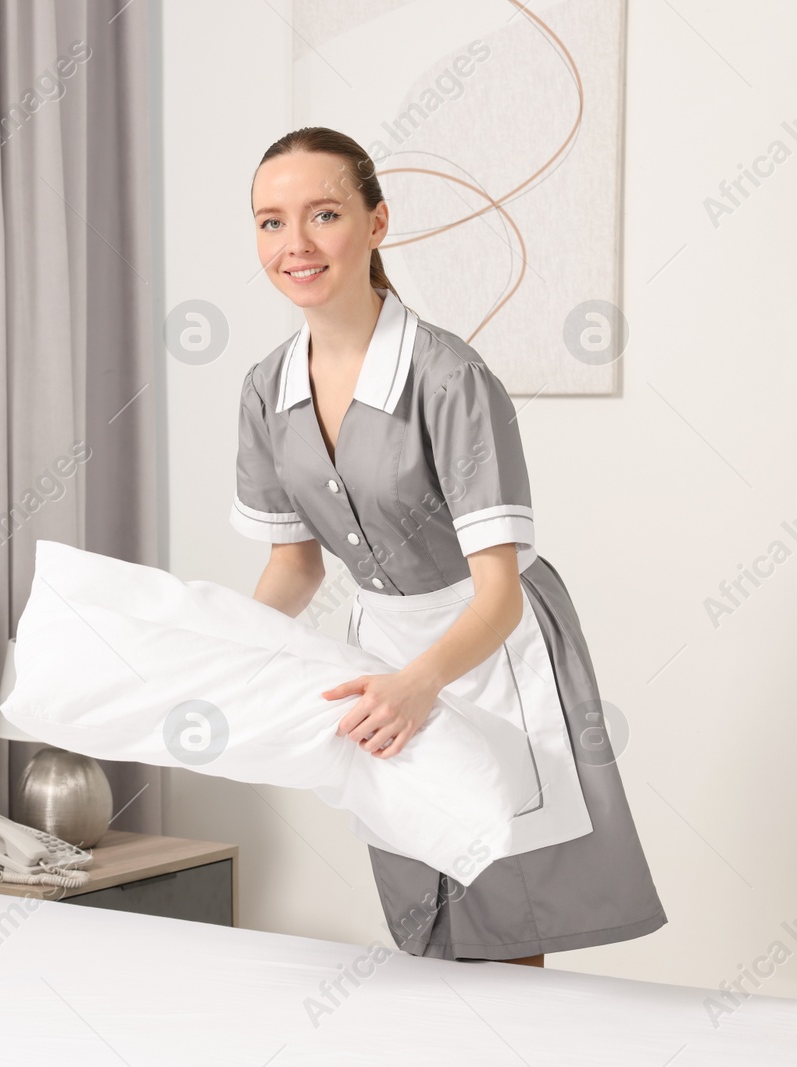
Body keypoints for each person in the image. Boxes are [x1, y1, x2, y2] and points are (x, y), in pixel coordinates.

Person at [233, 126, 666, 966]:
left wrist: (419, 685)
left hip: (488, 650)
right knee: (426, 906)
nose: (296, 245)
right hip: (382, 653)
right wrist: (230, 652)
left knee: (506, 916)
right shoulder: (264, 390)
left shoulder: (448, 378)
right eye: (270, 222)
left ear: (378, 223)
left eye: (323, 214)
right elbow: (295, 565)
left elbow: (498, 590)